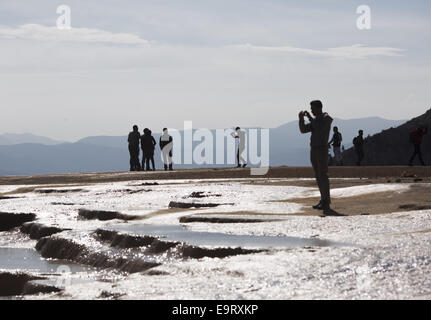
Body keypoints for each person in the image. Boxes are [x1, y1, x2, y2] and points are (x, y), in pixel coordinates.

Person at [299, 100, 333, 212]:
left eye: (313, 108)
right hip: (314, 149)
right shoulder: (315, 120)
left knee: (323, 175)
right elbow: (303, 130)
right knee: (318, 175)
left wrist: (309, 118)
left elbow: (319, 127)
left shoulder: (326, 118)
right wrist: (301, 119)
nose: (311, 111)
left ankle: (326, 200)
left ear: (319, 108)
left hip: (322, 149)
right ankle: (323, 199)